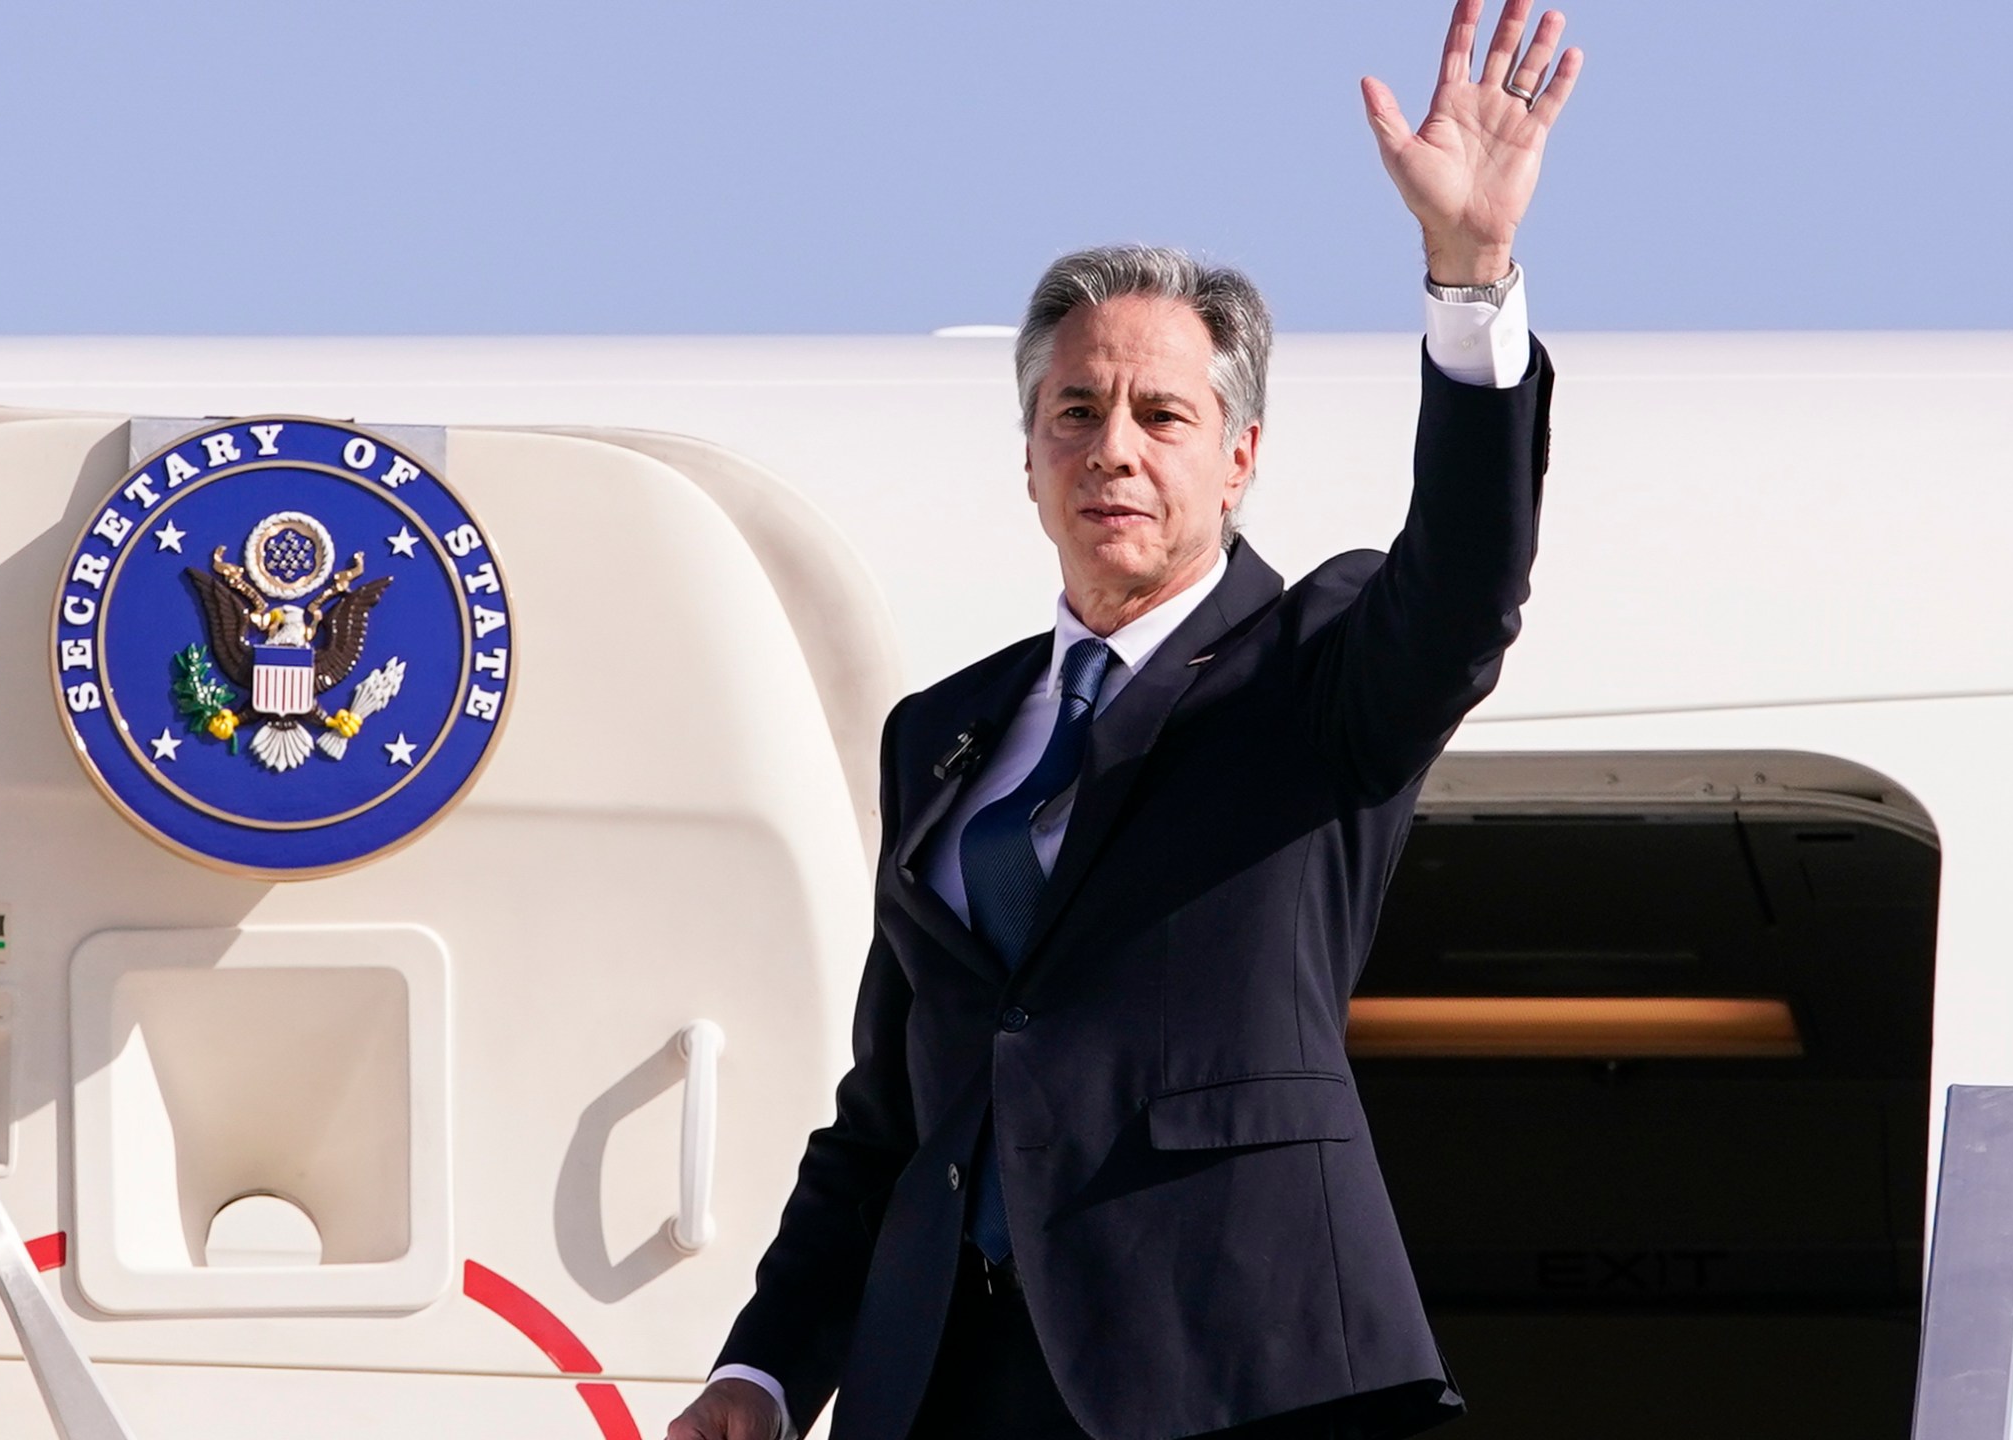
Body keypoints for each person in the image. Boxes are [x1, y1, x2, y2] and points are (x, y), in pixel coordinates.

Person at [670, 2, 1579, 1435]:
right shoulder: (942, 735)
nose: (1114, 448)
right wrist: (767, 1363)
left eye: (1162, 415)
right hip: (949, 1392)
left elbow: (1465, 587)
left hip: (1243, 1371)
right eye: (1074, 413)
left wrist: (1469, 280)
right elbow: (893, 1114)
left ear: (1241, 461)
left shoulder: (1316, 662)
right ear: (1030, 463)